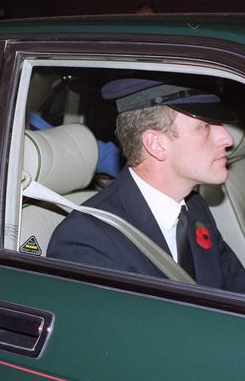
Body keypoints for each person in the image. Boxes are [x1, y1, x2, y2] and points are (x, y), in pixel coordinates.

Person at [47, 77, 245, 292]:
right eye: (205, 126)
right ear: (156, 144)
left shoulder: (194, 208)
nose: (227, 139)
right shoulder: (87, 239)